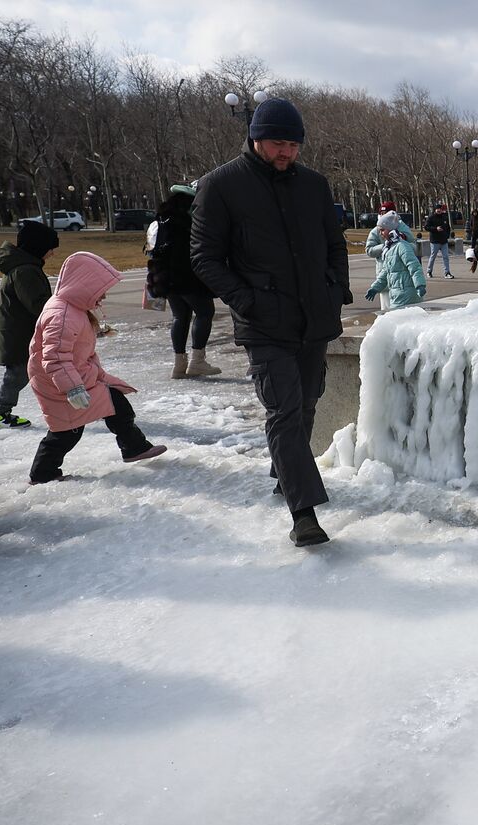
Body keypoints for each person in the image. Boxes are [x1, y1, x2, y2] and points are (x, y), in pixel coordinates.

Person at [191, 96, 350, 547]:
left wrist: (336, 288)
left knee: (307, 403)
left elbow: (333, 243)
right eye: (278, 143)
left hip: (313, 316)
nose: (287, 152)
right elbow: (204, 257)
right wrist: (247, 300)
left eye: (294, 144)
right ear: (256, 138)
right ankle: (304, 513)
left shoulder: (314, 185)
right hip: (263, 322)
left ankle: (286, 471)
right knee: (282, 409)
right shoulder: (220, 185)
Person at [27, 251, 167, 484]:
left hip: (78, 376)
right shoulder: (61, 315)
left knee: (116, 404)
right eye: (100, 290)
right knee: (67, 431)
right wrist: (72, 389)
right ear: (84, 286)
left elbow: (69, 342)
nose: (103, 296)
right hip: (60, 383)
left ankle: (134, 447)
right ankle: (42, 474)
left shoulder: (73, 309)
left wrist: (95, 332)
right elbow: (55, 358)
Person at [148, 183, 222, 379]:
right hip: (187, 275)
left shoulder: (162, 220)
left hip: (165, 275)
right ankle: (198, 361)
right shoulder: (187, 222)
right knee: (205, 312)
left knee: (180, 316)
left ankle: (179, 364)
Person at [0, 220, 58, 429]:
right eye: (50, 248)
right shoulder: (25, 271)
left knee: (46, 369)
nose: (52, 253)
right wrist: (59, 310)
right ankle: (0, 413)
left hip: (22, 330)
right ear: (38, 247)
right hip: (18, 333)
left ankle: (71, 403)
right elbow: (38, 304)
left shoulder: (26, 267)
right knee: (19, 374)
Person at [365, 213, 427, 309]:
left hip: (408, 295)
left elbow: (414, 266)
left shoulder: (402, 246)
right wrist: (375, 288)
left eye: (382, 230)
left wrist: (420, 285)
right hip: (396, 295)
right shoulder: (388, 248)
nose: (380, 234)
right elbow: (385, 272)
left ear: (391, 230)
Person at [422, 203, 455, 279]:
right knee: (433, 256)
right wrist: (435, 229)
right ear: (435, 210)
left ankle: (447, 272)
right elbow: (426, 227)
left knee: (446, 257)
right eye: (437, 209)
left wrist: (447, 235)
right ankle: (429, 271)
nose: (439, 210)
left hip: (444, 241)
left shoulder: (444, 217)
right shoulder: (431, 218)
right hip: (435, 241)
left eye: (440, 209)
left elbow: (448, 228)